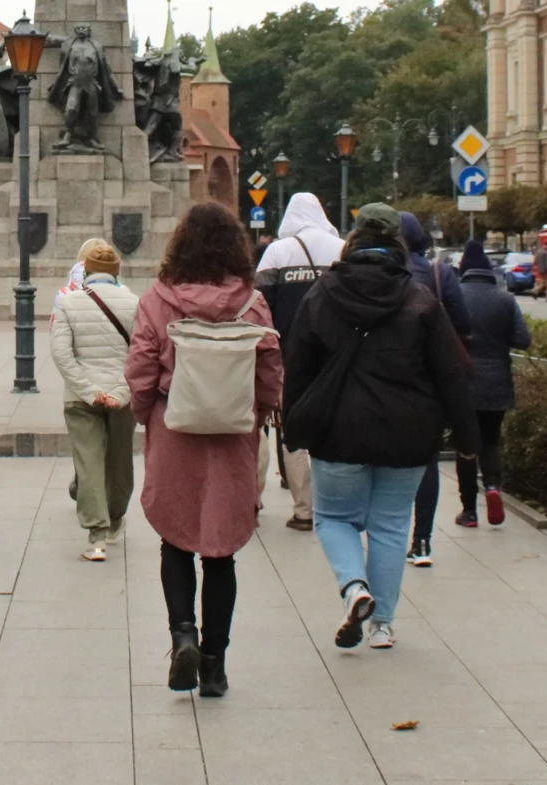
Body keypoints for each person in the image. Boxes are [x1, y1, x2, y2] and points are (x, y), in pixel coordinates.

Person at [282, 203, 479, 652]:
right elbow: (453, 373)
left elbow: (298, 368)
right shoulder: (420, 299)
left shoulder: (321, 295)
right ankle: (383, 627)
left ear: (353, 238)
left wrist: (294, 429)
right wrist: (468, 440)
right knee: (390, 527)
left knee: (334, 518)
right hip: (408, 432)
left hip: (338, 429)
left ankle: (354, 589)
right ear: (398, 243)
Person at [125, 202, 283, 698]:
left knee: (176, 539)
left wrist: (143, 411)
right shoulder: (251, 304)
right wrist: (258, 416)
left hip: (175, 429)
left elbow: (141, 367)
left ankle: (182, 636)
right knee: (221, 553)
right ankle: (214, 665)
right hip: (231, 434)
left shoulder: (157, 300)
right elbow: (271, 371)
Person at [255, 193, 346, 532]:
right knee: (331, 427)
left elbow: (260, 307)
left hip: (289, 356)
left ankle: (303, 510)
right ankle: (334, 504)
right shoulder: (340, 248)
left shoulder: (277, 252)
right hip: (336, 356)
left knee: (291, 430)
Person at [51, 239, 139, 561]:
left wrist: (87, 390)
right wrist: (118, 392)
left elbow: (61, 353)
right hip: (122, 397)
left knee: (88, 464)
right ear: (116, 272)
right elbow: (140, 355)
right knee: (120, 463)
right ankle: (115, 520)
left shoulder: (68, 303)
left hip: (80, 399)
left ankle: (96, 537)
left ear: (85, 270)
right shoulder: (134, 302)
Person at [401, 212, 470, 567]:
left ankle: (388, 536)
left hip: (388, 379)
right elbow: (463, 324)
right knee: (426, 460)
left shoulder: (382, 276)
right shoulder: (441, 274)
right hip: (430, 383)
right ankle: (423, 540)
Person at [453, 241, 530, 529]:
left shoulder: (455, 297)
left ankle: (469, 511)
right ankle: (494, 487)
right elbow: (523, 340)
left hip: (463, 384)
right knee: (491, 439)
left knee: (465, 446)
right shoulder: (505, 299)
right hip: (497, 383)